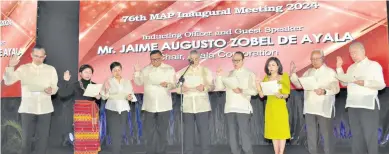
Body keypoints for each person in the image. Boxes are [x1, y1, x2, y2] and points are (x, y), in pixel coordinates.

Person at [3, 46, 58, 154]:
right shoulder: (24, 68)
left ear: (45, 57)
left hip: (45, 109)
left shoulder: (51, 69)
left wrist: (51, 90)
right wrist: (10, 67)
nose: (39, 59)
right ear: (32, 55)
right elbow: (8, 82)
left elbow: (55, 87)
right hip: (27, 108)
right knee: (26, 140)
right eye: (36, 56)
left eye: (41, 57)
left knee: (43, 140)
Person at [336, 42, 385, 154]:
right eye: (351, 53)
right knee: (357, 137)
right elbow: (344, 83)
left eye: (355, 52)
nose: (352, 55)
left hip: (368, 105)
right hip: (353, 105)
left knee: (370, 136)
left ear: (363, 51)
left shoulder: (373, 65)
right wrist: (339, 67)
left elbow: (381, 84)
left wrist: (364, 82)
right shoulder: (351, 67)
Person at [290, 50, 340, 154]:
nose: (314, 61)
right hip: (310, 108)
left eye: (317, 58)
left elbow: (336, 89)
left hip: (324, 108)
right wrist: (293, 74)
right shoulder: (308, 72)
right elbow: (299, 85)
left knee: (327, 136)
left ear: (323, 58)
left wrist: (324, 91)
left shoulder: (330, 72)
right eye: (312, 59)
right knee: (311, 136)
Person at [134, 50, 176, 154]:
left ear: (162, 58)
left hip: (164, 105)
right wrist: (137, 72)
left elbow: (175, 84)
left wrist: (167, 84)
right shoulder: (146, 69)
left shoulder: (169, 69)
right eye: (152, 60)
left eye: (157, 59)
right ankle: (150, 151)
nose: (155, 61)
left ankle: (162, 151)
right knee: (149, 131)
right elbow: (138, 82)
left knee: (162, 131)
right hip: (149, 105)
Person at [215, 51, 258, 154]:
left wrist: (242, 90)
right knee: (232, 135)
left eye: (238, 60)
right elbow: (220, 87)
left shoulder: (249, 73)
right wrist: (219, 76)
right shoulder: (229, 73)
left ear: (243, 60)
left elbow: (255, 91)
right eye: (233, 60)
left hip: (243, 108)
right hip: (230, 108)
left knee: (244, 134)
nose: (235, 62)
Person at [58, 64, 101, 154]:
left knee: (92, 135)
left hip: (91, 114)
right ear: (80, 74)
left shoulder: (95, 85)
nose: (88, 74)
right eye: (85, 72)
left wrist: (98, 98)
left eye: (90, 72)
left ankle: (92, 151)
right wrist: (65, 81)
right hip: (79, 115)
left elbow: (98, 103)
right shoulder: (75, 85)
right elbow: (62, 94)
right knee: (81, 136)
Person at [176, 50, 213, 154]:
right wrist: (182, 89)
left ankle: (206, 151)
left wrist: (204, 87)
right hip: (188, 106)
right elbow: (177, 89)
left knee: (204, 132)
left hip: (202, 105)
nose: (194, 61)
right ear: (189, 59)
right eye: (192, 59)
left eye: (196, 58)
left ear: (199, 59)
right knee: (188, 132)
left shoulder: (205, 71)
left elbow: (212, 86)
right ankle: (188, 152)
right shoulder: (183, 72)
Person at [255, 57, 290, 154]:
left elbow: (287, 94)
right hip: (270, 107)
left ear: (278, 66)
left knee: (281, 132)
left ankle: (281, 152)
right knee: (274, 132)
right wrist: (257, 84)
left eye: (273, 65)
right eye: (269, 65)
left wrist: (281, 95)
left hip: (280, 106)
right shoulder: (266, 78)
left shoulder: (284, 76)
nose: (271, 67)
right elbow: (262, 95)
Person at [101, 62, 135, 154]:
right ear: (111, 71)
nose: (117, 72)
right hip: (112, 108)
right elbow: (104, 97)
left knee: (120, 131)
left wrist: (130, 97)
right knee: (114, 131)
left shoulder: (127, 81)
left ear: (121, 70)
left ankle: (118, 149)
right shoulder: (108, 81)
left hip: (123, 108)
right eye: (114, 70)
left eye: (119, 70)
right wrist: (107, 90)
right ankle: (115, 151)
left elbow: (131, 93)